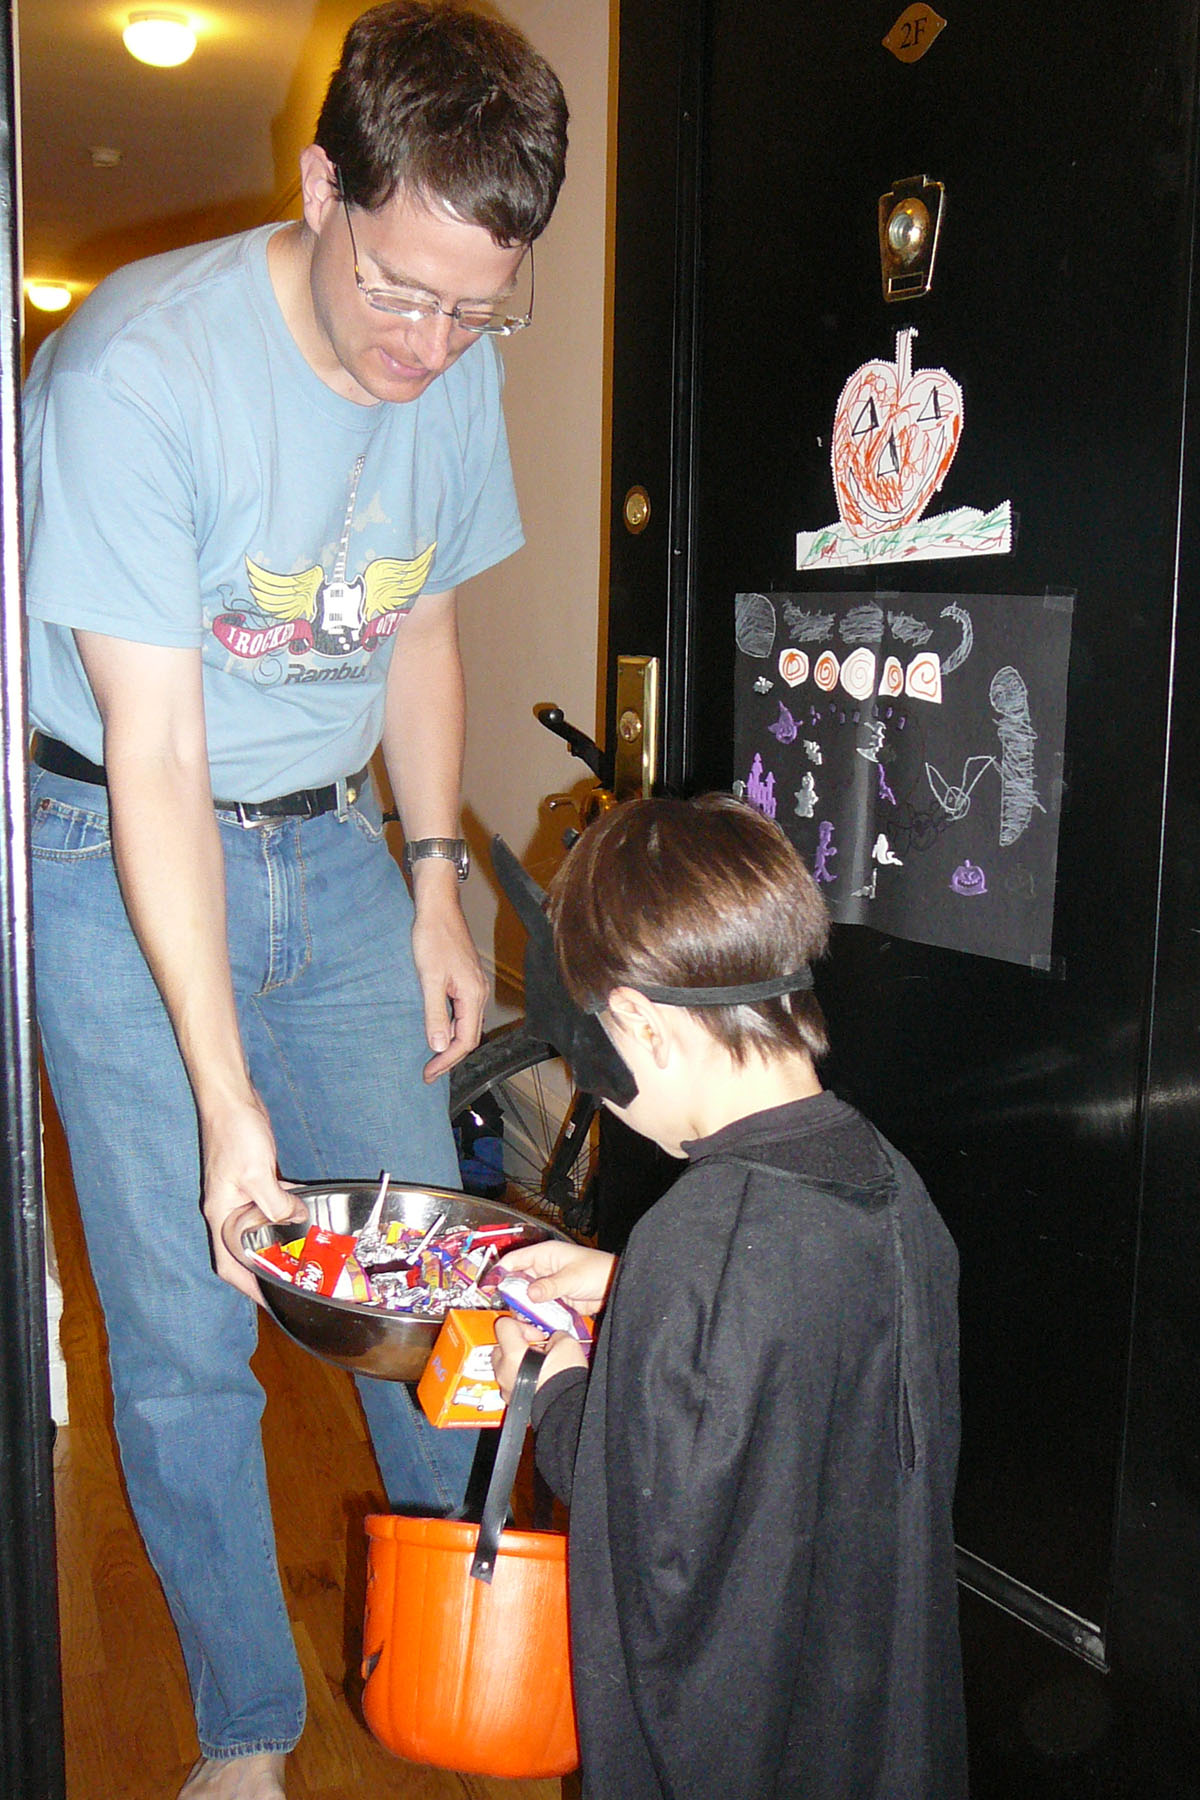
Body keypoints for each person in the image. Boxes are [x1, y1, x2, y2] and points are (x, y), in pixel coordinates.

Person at [23, 4, 567, 1795]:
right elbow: (158, 752)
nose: (431, 346)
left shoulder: (455, 360)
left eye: (477, 310)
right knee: (191, 1319)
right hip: (114, 844)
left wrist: (433, 883)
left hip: (336, 848)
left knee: (426, 1283)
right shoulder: (134, 372)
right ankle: (247, 1733)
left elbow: (422, 628)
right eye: (401, 292)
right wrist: (224, 1092)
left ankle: (462, 1654)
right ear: (325, 185)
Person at [493, 794, 968, 1800]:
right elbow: (796, 1338)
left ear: (640, 1024)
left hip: (748, 1745)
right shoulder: (891, 1187)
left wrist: (554, 1381)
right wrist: (630, 1289)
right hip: (864, 1705)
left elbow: (651, 1529)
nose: (601, 1097)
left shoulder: (700, 1243)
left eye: (595, 1065)